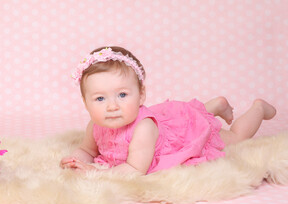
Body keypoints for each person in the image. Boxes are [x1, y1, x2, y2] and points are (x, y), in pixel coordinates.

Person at [60, 46, 276, 175]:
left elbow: (135, 169)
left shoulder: (143, 128)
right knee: (187, 114)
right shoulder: (94, 125)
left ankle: (258, 109)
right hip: (171, 119)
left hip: (183, 134)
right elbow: (87, 151)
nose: (112, 106)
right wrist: (74, 160)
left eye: (123, 95)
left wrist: (95, 174)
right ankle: (215, 105)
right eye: (99, 98)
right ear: (85, 102)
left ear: (141, 95)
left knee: (235, 138)